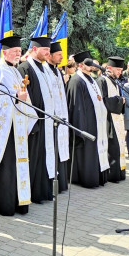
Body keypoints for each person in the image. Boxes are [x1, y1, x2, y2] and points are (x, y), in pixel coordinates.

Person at [0, 35, 35, 216]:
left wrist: (27, 120)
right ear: (5, 52)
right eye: (15, 51)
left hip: (17, 126)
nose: (18, 54)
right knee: (4, 164)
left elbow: (22, 94)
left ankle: (18, 201)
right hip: (4, 127)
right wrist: (16, 97)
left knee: (16, 164)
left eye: (19, 51)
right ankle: (2, 204)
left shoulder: (15, 71)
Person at [17, 36, 55, 203]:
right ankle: (33, 193)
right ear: (34, 49)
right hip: (34, 122)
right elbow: (25, 97)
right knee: (35, 158)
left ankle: (43, 192)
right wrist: (31, 121)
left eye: (48, 50)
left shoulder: (44, 68)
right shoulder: (25, 68)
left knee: (44, 156)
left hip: (46, 121)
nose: (48, 53)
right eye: (45, 49)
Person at [66, 51, 110, 188]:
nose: (91, 65)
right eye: (88, 63)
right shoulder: (76, 81)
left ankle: (98, 177)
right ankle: (87, 179)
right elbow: (76, 107)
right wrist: (81, 130)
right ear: (80, 65)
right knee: (86, 153)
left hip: (96, 123)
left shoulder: (91, 79)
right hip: (86, 125)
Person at [96, 57, 127, 182]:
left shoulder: (115, 81)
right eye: (117, 69)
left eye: (121, 70)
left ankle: (119, 173)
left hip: (117, 118)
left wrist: (120, 100)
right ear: (109, 68)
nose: (120, 72)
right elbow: (101, 101)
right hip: (107, 119)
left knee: (119, 145)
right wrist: (119, 100)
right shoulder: (102, 80)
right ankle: (112, 175)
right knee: (113, 147)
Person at [46, 41, 70, 192]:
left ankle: (61, 183)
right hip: (51, 120)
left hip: (61, 117)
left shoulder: (57, 71)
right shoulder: (45, 70)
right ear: (50, 55)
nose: (62, 57)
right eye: (59, 54)